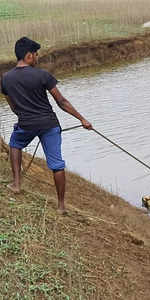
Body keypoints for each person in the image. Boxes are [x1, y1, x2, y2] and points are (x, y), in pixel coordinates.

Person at [0, 37, 92, 214]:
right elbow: (62, 101)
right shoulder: (42, 75)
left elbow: (12, 105)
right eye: (35, 54)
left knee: (15, 144)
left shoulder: (6, 79)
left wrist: (23, 115)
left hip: (26, 124)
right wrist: (82, 119)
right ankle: (61, 206)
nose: (37, 58)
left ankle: (17, 185)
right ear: (28, 56)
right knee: (57, 164)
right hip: (49, 124)